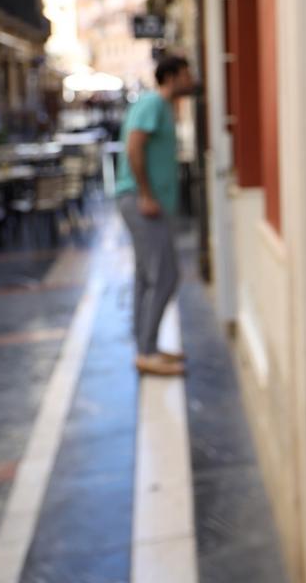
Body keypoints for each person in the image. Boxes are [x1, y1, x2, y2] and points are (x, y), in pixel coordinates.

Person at [115, 55, 197, 376]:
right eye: (187, 75)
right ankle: (147, 351)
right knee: (165, 276)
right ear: (173, 76)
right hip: (142, 202)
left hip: (143, 201)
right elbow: (134, 147)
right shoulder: (152, 103)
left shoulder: (160, 107)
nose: (192, 81)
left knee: (147, 276)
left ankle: (146, 347)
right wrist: (147, 194)